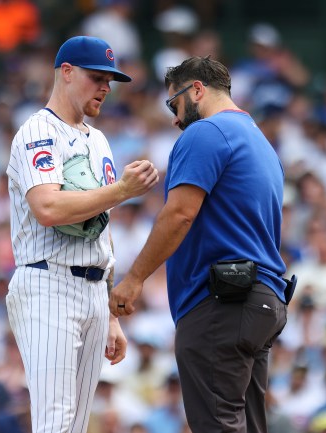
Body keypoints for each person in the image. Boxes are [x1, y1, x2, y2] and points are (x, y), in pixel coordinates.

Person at [109, 56, 290, 433]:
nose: (175, 118)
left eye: (172, 104)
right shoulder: (261, 142)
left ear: (196, 90)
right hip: (261, 302)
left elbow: (179, 214)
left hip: (222, 303)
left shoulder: (207, 132)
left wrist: (135, 278)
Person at [5, 35, 159, 433]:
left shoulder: (99, 140)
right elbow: (48, 208)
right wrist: (123, 190)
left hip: (92, 289)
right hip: (48, 282)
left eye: (110, 80)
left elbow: (101, 230)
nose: (106, 87)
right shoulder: (38, 131)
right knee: (54, 420)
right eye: (97, 77)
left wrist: (110, 314)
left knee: (75, 424)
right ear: (67, 73)